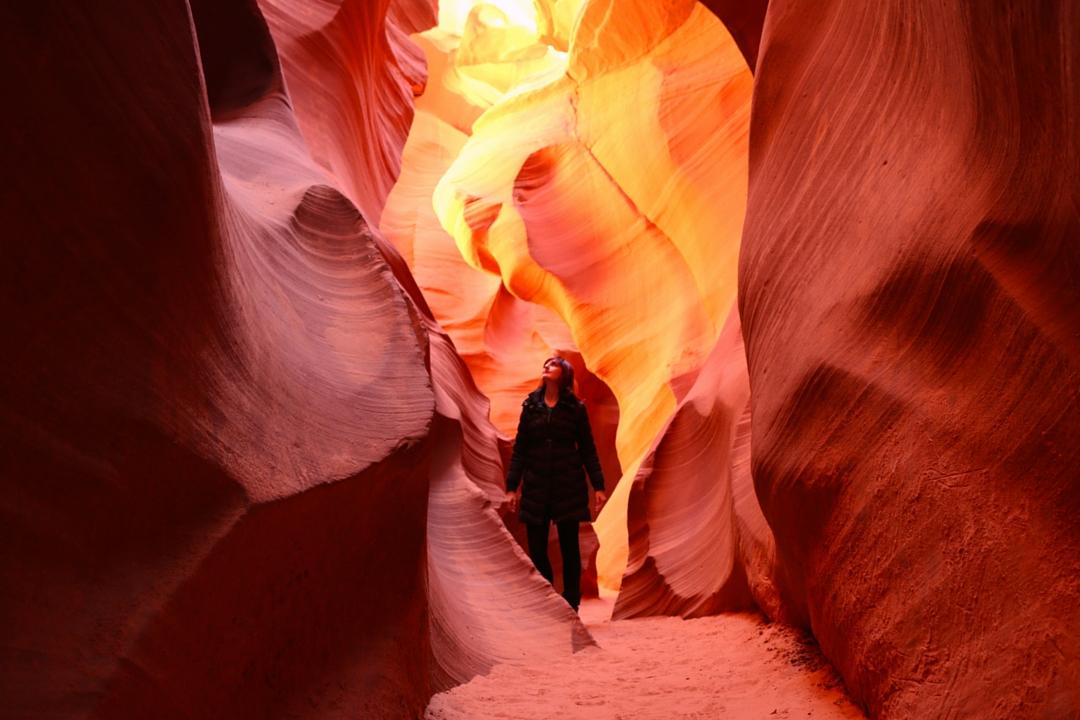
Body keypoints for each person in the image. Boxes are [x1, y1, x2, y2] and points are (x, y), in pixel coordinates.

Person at [504, 356, 607, 611]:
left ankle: (571, 604)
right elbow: (520, 450)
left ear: (565, 374)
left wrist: (599, 486)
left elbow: (587, 450)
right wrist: (511, 487)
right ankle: (548, 600)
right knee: (537, 548)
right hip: (536, 484)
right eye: (545, 364)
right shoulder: (530, 406)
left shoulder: (575, 409)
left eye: (553, 365)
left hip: (567, 485)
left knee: (570, 548)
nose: (546, 366)